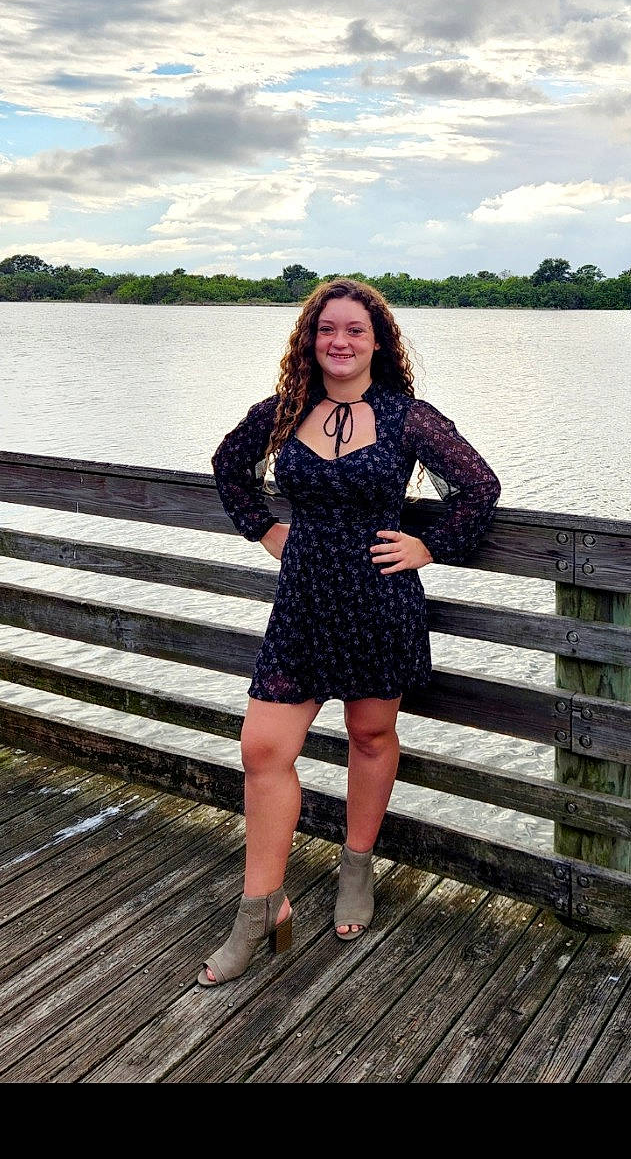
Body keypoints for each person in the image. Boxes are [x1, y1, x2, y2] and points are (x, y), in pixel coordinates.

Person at [196, 277, 501, 983]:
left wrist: (430, 546)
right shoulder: (280, 413)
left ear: (376, 342)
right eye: (325, 329)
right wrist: (264, 528)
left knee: (370, 735)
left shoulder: (407, 418)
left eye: (353, 330)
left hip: (378, 601)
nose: (338, 341)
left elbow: (478, 489)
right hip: (302, 604)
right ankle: (260, 908)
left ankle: (355, 870)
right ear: (309, 339)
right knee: (262, 749)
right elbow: (228, 468)